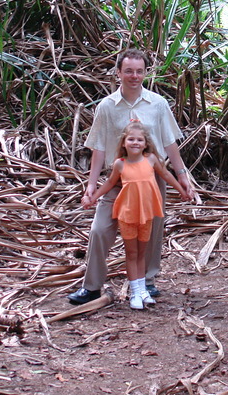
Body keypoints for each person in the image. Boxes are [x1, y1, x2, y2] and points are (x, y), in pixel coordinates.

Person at [69, 48, 196, 305]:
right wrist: (91, 186)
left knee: (150, 230)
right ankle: (92, 286)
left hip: (150, 178)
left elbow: (169, 143)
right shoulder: (107, 106)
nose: (134, 76)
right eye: (128, 71)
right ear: (118, 73)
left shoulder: (158, 104)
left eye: (139, 71)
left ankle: (146, 282)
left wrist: (182, 175)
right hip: (117, 177)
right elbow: (98, 148)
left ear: (145, 73)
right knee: (100, 229)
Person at [85, 122, 188, 309]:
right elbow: (109, 184)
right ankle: (134, 293)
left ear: (146, 143)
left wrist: (182, 190)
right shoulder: (120, 164)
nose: (135, 143)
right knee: (131, 253)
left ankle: (142, 290)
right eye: (131, 139)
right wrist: (93, 197)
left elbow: (166, 175)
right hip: (128, 214)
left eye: (139, 140)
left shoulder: (151, 160)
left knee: (142, 253)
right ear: (124, 142)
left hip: (146, 213)